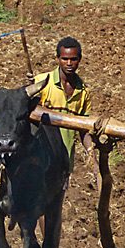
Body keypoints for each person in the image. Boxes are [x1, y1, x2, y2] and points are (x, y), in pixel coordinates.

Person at [33, 37, 100, 178]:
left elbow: (84, 129)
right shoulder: (41, 82)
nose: (69, 63)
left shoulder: (83, 92)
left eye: (73, 59)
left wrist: (92, 156)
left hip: (64, 161)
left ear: (79, 59)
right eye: (64, 59)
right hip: (39, 160)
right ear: (58, 59)